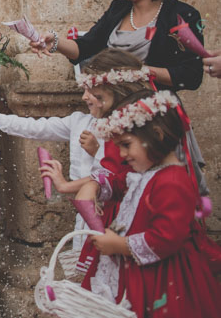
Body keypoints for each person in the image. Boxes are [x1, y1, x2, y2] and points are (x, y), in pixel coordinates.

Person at [32, 0, 209, 194]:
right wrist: (56, 42)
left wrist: (141, 71)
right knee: (120, 190)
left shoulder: (181, 15)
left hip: (154, 118)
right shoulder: (119, 8)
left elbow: (191, 76)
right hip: (116, 118)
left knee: (161, 192)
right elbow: (86, 46)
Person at [0, 49, 152, 273]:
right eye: (84, 90)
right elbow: (37, 127)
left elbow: (119, 174)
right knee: (86, 276)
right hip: (85, 217)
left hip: (115, 216)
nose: (84, 97)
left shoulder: (130, 132)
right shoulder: (79, 122)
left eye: (91, 91)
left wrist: (95, 154)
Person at [76, 89, 221, 317]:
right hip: (139, 270)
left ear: (157, 135)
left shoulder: (173, 181)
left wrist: (121, 246)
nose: (122, 154)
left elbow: (167, 237)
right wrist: (95, 186)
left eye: (126, 144)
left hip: (165, 279)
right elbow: (121, 182)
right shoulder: (146, 171)